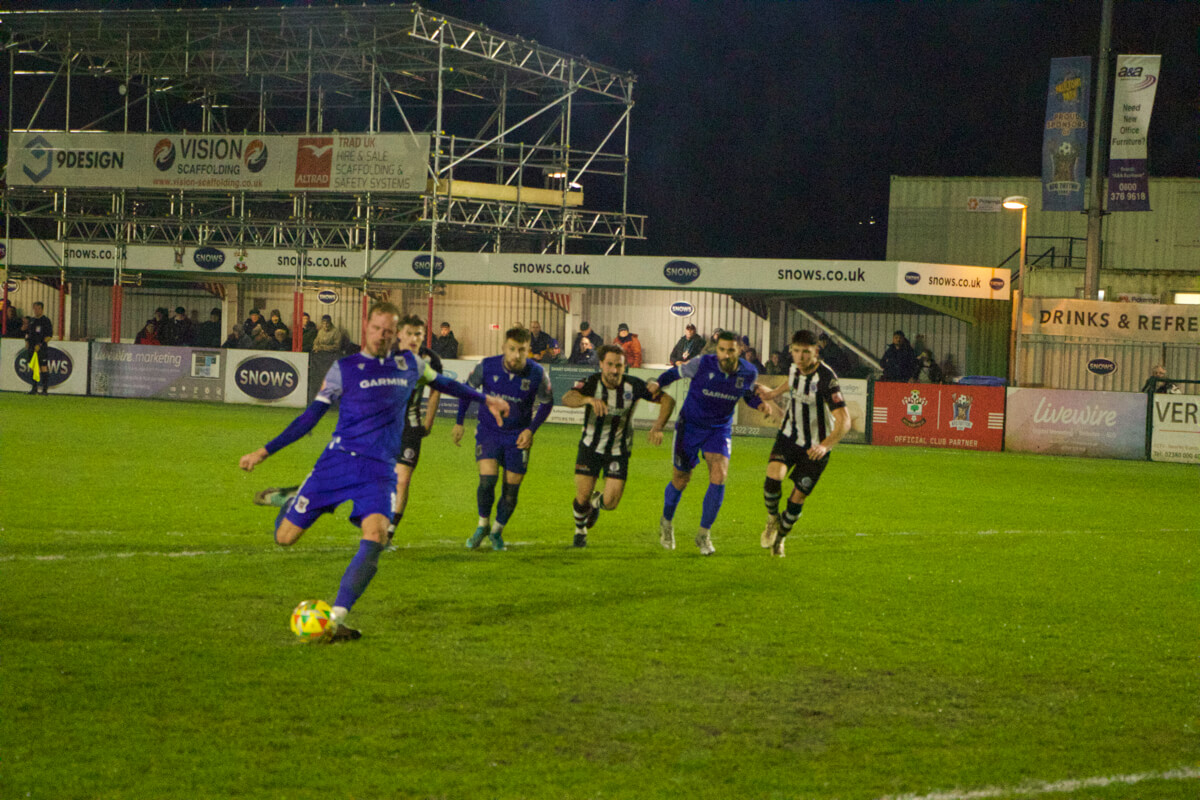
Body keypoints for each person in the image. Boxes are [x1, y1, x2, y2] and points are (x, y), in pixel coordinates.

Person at [239, 301, 508, 642]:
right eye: (377, 328)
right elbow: (310, 417)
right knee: (284, 538)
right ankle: (289, 498)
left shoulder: (410, 364)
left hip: (379, 470)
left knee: (378, 535)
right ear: (366, 328)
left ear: (396, 335)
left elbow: (446, 384)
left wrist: (487, 400)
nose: (382, 335)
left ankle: (334, 620)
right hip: (337, 463)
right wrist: (264, 451)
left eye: (389, 330)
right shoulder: (344, 368)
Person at [647, 329, 781, 555]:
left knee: (719, 476)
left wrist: (760, 405)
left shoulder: (749, 371)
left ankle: (703, 534)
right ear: (716, 349)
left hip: (719, 429)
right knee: (681, 479)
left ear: (739, 350)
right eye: (722, 350)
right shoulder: (701, 364)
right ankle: (666, 522)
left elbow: (747, 394)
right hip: (690, 426)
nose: (726, 355)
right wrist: (657, 385)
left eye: (731, 350)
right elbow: (674, 374)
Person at [561, 344, 676, 547]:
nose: (614, 370)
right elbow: (567, 398)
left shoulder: (634, 386)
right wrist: (588, 400)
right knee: (581, 498)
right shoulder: (590, 382)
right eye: (610, 365)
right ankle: (580, 531)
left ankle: (596, 503)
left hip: (618, 451)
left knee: (611, 503)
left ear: (625, 366)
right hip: (590, 448)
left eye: (619, 366)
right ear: (601, 364)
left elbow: (668, 400)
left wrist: (658, 427)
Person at [453, 326, 554, 551]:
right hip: (489, 432)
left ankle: (497, 530)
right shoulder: (486, 366)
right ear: (503, 348)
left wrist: (531, 430)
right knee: (487, 481)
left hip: (518, 436)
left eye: (522, 350)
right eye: (512, 349)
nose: (517, 355)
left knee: (510, 491)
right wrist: (459, 422)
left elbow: (547, 402)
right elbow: (467, 391)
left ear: (529, 349)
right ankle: (483, 525)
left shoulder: (537, 373)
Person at [756, 330, 851, 558]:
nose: (800, 357)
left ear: (816, 352)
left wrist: (824, 446)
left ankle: (780, 538)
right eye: (796, 351)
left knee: (797, 498)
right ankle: (772, 519)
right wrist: (773, 394)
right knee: (772, 479)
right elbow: (792, 383)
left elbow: (845, 420)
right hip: (789, 436)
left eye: (805, 352)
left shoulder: (827, 379)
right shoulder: (793, 368)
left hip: (815, 448)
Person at [388, 315, 444, 542]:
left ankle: (389, 532)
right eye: (409, 333)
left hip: (411, 427)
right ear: (400, 333)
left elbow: (436, 390)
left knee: (402, 480)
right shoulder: (386, 354)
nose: (414, 338)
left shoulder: (431, 359)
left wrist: (428, 422)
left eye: (418, 334)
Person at [25, 301, 54, 395]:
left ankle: (45, 390)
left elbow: (49, 336)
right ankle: (34, 388)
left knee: (43, 367)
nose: (36, 310)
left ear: (42, 309)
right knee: (34, 367)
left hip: (41, 348)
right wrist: (27, 342)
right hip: (32, 347)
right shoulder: (32, 321)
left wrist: (40, 344)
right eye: (34, 308)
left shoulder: (45, 320)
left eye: (38, 308)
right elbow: (28, 333)